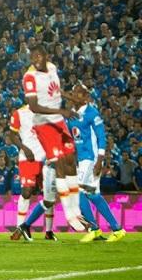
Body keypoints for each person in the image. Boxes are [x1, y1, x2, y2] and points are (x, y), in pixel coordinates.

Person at [22, 45, 85, 231]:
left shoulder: (52, 68)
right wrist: (61, 110)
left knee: (70, 161)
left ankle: (76, 210)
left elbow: (56, 90)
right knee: (59, 163)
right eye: (32, 57)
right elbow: (33, 106)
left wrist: (71, 97)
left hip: (59, 121)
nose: (35, 59)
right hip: (44, 124)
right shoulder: (29, 77)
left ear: (46, 56)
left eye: (38, 55)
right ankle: (69, 215)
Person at [68, 84, 126, 242]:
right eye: (73, 93)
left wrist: (100, 160)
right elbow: (71, 140)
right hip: (82, 160)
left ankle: (94, 228)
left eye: (79, 94)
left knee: (77, 192)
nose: (75, 96)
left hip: (91, 159)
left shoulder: (92, 113)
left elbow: (102, 137)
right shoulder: (72, 116)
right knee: (93, 195)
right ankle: (117, 229)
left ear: (85, 97)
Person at [8, 105, 57, 241]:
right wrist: (24, 148)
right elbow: (12, 134)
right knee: (26, 192)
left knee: (49, 194)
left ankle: (49, 231)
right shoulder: (19, 113)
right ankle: (20, 227)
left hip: (46, 158)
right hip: (28, 158)